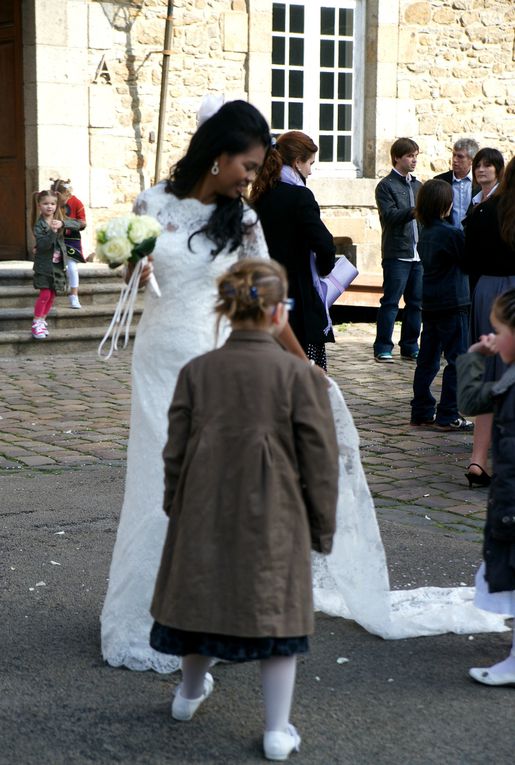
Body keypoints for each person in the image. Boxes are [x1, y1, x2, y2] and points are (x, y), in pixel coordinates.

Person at [101, 99, 308, 674]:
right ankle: (144, 613)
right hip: (157, 360)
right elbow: (135, 275)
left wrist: (303, 364)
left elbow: (266, 301)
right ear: (218, 158)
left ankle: (214, 614)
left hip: (216, 366)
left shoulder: (242, 221)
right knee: (155, 483)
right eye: (248, 165)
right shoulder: (152, 202)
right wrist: (132, 265)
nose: (252, 176)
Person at [149, 258, 338, 760]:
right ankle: (277, 729)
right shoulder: (301, 377)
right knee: (276, 617)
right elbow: (320, 461)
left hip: (203, 505)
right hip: (275, 512)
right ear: (280, 313)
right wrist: (322, 525)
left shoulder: (197, 370)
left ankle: (188, 694)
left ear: (228, 311)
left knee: (200, 600)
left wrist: (176, 503)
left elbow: (175, 448)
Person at [457, 288, 515, 686]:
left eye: (498, 330)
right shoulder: (509, 378)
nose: (492, 336)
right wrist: (477, 357)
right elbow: (471, 402)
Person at [250, 131, 336, 370]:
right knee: (303, 371)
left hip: (264, 290)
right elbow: (324, 243)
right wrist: (324, 269)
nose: (310, 171)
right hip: (297, 294)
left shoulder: (260, 193)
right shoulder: (300, 196)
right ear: (297, 162)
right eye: (310, 164)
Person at [410, 179, 472, 432]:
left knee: (428, 359)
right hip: (453, 301)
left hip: (431, 302)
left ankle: (422, 410)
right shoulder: (450, 234)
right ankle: (447, 414)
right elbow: (468, 262)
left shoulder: (426, 232)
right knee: (457, 360)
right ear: (445, 205)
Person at [462, 151, 509, 488]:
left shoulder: (483, 211)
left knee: (490, 375)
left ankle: (478, 460)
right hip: (510, 293)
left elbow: (468, 259)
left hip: (485, 290)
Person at [373, 138, 423, 363]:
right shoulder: (385, 186)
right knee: (391, 302)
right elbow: (390, 216)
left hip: (418, 254)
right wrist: (416, 210)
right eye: (410, 156)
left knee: (416, 303)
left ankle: (410, 346)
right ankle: (383, 347)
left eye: (416, 156)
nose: (414, 160)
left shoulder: (418, 185)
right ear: (397, 158)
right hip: (396, 254)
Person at [31, 190, 81, 340]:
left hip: (58, 265)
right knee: (45, 294)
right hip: (44, 266)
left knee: (52, 295)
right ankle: (35, 323)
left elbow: (78, 224)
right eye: (45, 204)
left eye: (52, 204)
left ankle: (42, 320)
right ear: (39, 205)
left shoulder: (59, 218)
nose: (49, 207)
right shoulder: (39, 225)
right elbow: (43, 245)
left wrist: (63, 223)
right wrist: (53, 231)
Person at [50, 178, 87, 309]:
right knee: (54, 267)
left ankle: (74, 296)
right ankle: (50, 297)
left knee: (72, 267)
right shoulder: (52, 202)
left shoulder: (76, 202)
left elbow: (82, 223)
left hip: (72, 240)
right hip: (56, 239)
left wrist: (65, 223)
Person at [434, 138, 480, 230]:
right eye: (454, 155)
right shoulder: (440, 181)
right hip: (446, 237)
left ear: (472, 160)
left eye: (460, 156)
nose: (454, 160)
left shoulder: (480, 182)